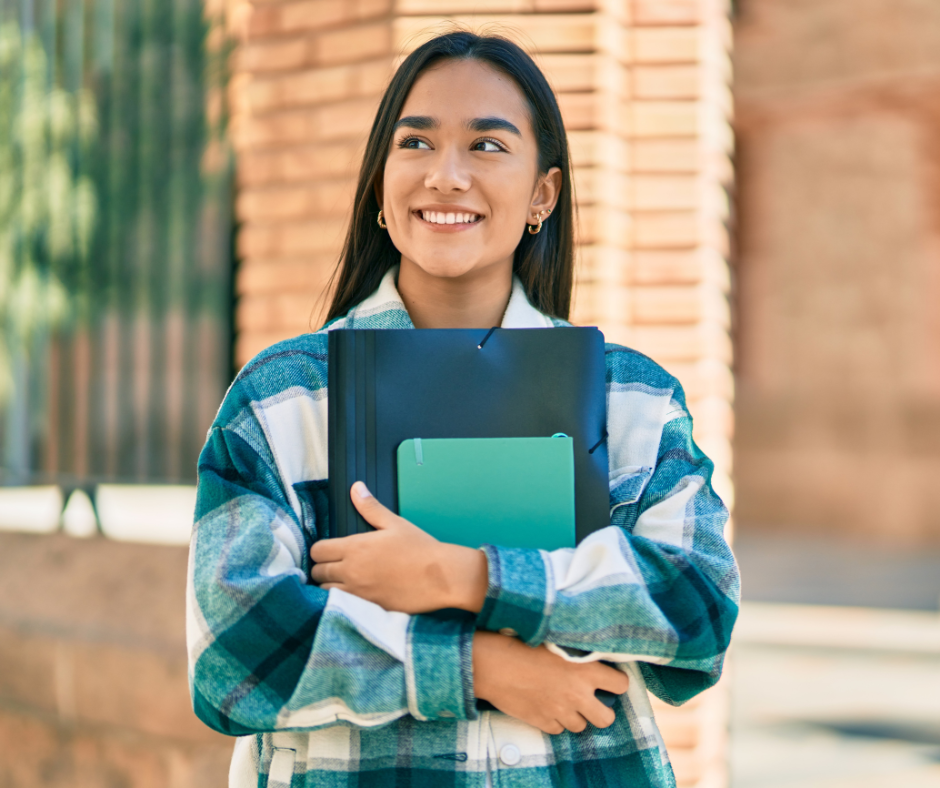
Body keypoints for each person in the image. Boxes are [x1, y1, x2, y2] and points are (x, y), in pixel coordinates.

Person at [186, 30, 739, 788]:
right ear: (382, 182)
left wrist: (465, 577)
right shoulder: (285, 399)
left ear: (543, 193)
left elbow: (698, 614)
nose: (446, 177)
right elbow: (235, 656)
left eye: (487, 147)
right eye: (416, 143)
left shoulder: (630, 398)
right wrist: (478, 666)